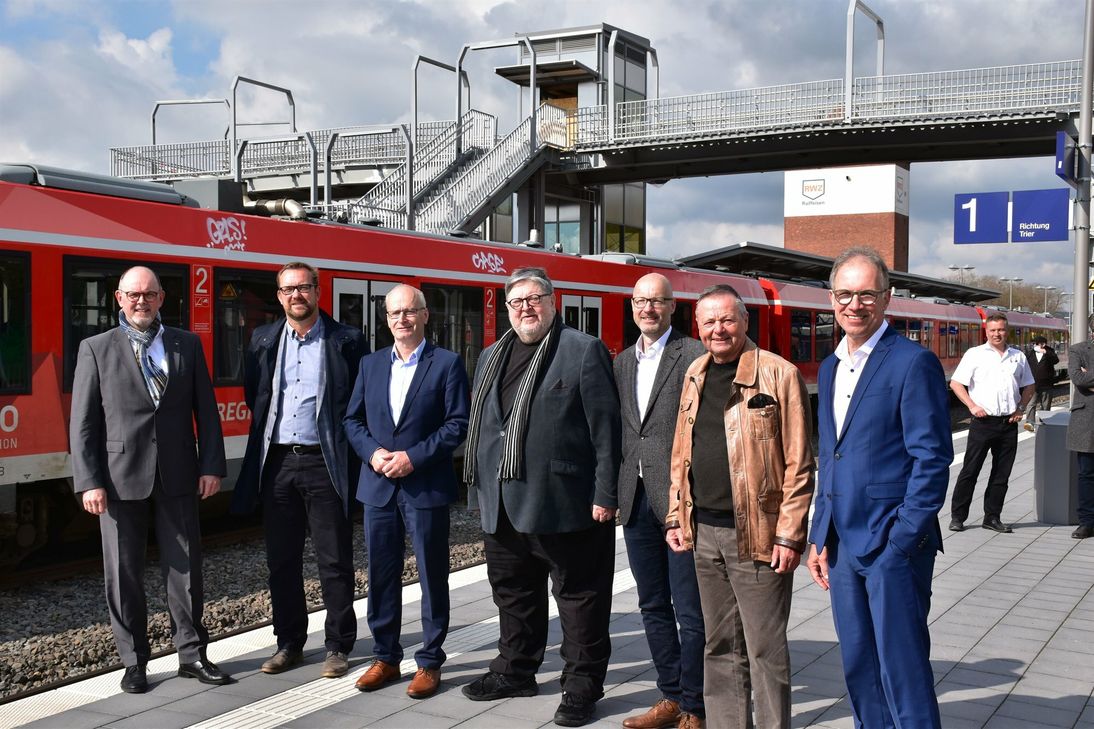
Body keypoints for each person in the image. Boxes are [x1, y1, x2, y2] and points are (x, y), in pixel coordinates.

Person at [461, 266, 621, 728]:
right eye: (517, 302)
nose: (526, 308)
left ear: (554, 302)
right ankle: (515, 670)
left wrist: (605, 492)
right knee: (513, 596)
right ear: (507, 308)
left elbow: (605, 432)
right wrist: (479, 492)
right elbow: (486, 429)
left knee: (579, 600)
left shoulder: (582, 350)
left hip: (565, 501)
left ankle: (581, 686)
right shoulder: (492, 354)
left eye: (535, 299)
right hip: (503, 505)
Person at [806, 247, 953, 729]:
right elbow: (831, 456)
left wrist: (903, 540)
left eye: (866, 294)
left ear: (886, 299)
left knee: (902, 668)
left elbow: (932, 458)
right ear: (831, 299)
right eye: (845, 294)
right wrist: (818, 537)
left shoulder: (913, 363)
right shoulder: (830, 368)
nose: (854, 304)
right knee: (858, 665)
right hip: (843, 544)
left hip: (893, 543)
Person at [70, 265, 230, 694]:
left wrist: (211, 465)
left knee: (186, 570)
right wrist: (89, 481)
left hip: (178, 473)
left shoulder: (187, 345)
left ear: (162, 298)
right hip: (118, 479)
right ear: (119, 299)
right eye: (133, 295)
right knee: (123, 574)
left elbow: (206, 411)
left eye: (150, 294)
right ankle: (134, 662)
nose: (142, 301)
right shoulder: (95, 348)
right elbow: (83, 423)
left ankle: (192, 655)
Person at [664, 284, 814, 729]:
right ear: (696, 326)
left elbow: (799, 463)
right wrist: (677, 514)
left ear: (746, 323)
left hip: (759, 535)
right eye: (708, 322)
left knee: (765, 649)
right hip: (704, 533)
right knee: (719, 646)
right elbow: (680, 452)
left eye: (727, 319)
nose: (718, 329)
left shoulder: (778, 375)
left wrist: (789, 533)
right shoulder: (694, 372)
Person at [234, 262, 368, 679]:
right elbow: (253, 392)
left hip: (323, 461)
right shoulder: (263, 339)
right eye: (288, 289)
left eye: (304, 287)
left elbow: (356, 402)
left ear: (317, 291)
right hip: (277, 464)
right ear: (279, 296)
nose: (297, 295)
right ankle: (289, 643)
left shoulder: (347, 340)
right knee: (282, 561)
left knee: (334, 559)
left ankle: (337, 646)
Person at [344, 284, 470, 698]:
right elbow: (352, 421)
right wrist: (374, 454)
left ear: (425, 315)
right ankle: (386, 656)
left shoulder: (447, 364)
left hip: (425, 485)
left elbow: (457, 424)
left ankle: (430, 661)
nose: (402, 319)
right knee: (381, 576)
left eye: (410, 311)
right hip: (378, 486)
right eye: (395, 313)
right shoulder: (369, 364)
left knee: (432, 575)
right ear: (386, 320)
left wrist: (413, 457)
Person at [613, 273, 707, 729]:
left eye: (657, 301)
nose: (648, 309)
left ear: (673, 307)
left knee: (689, 609)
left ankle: (696, 705)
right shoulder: (622, 362)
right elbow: (626, 433)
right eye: (640, 301)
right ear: (632, 307)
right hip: (635, 501)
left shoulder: (692, 354)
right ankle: (670, 695)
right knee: (651, 604)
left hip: (680, 502)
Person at [948, 312, 1035, 533]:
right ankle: (958, 517)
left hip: (1008, 424)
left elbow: (1030, 386)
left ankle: (992, 517)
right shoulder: (975, 354)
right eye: (993, 330)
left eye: (1001, 330)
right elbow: (957, 383)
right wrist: (972, 406)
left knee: (1001, 474)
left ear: (1007, 331)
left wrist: (1021, 409)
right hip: (982, 422)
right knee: (970, 470)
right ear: (986, 331)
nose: (997, 334)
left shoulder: (1018, 356)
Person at [1067, 317, 1094, 540]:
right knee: (1086, 474)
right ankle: (1087, 522)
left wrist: (1090, 373)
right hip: (1086, 422)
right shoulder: (1077, 349)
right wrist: (1086, 378)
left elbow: (1086, 377)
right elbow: (1078, 378)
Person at [1023, 335, 1059, 431]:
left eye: (1041, 344)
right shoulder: (1030, 353)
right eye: (1037, 344)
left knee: (1045, 404)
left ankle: (1044, 422)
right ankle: (1030, 422)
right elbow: (1025, 365)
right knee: (1031, 404)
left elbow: (1056, 360)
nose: (1040, 345)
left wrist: (1045, 352)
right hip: (1032, 384)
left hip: (1046, 383)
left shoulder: (1050, 351)